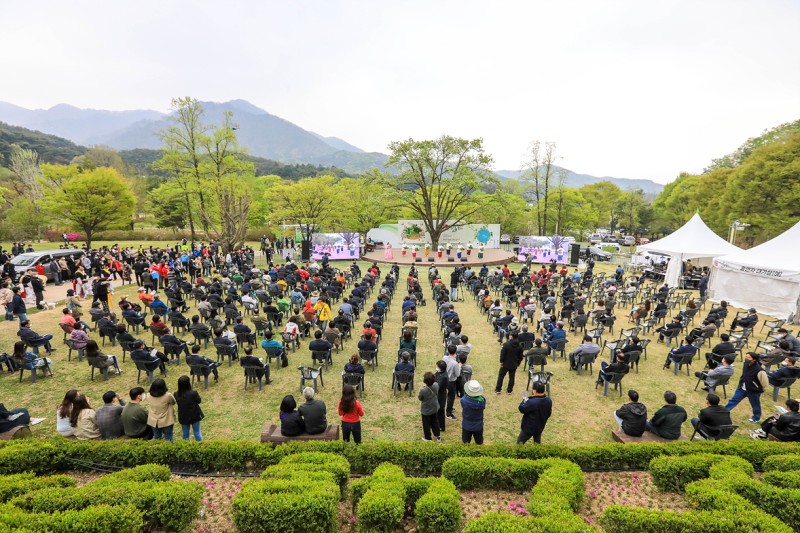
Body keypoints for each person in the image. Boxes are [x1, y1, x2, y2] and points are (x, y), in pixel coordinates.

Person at [725, 351, 768, 423]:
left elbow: (765, 382)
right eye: (746, 357)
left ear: (754, 359)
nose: (746, 359)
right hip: (742, 388)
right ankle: (724, 411)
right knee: (733, 400)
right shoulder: (745, 364)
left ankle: (756, 418)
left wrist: (761, 390)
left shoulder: (760, 370)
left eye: (748, 358)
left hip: (753, 391)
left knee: (755, 405)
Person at [175, 375, 204, 442]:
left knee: (185, 435)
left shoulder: (176, 394)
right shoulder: (193, 393)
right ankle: (201, 447)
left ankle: (186, 448)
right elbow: (199, 401)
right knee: (197, 433)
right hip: (194, 416)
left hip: (183, 416)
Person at [461, 380, 486, 444]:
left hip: (466, 425)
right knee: (479, 442)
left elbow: (464, 398)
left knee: (465, 443)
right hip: (478, 425)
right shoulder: (482, 400)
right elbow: (482, 398)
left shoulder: (464, 400)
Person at [418, 371, 441, 442]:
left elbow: (420, 398)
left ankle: (428, 437)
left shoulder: (423, 390)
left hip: (426, 410)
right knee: (435, 421)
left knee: (426, 424)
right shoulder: (436, 385)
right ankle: (438, 436)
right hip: (435, 406)